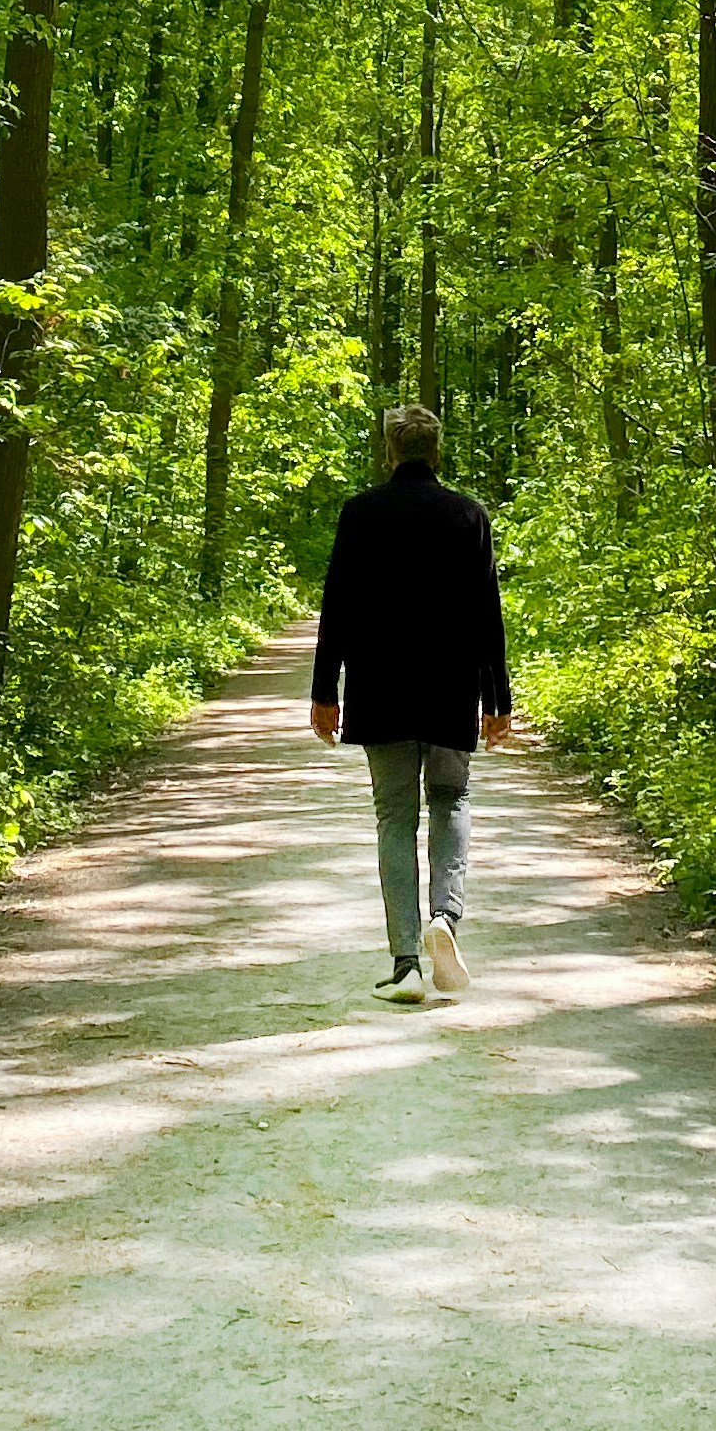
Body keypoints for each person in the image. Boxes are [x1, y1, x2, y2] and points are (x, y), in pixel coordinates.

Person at [309, 404, 514, 1003]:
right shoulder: (468, 515)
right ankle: (444, 920)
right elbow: (487, 615)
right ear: (438, 452)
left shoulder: (361, 513)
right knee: (452, 799)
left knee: (395, 817)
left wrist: (326, 692)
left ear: (390, 451)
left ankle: (406, 964)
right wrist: (496, 697)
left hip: (381, 688)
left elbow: (337, 608)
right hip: (451, 688)